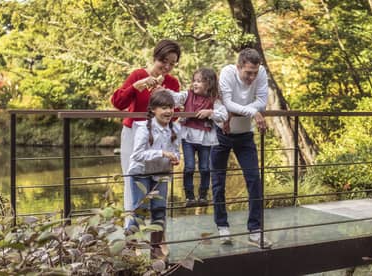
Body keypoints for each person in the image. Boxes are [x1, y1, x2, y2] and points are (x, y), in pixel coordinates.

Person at [111, 39, 181, 227]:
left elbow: (175, 116)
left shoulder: (172, 83)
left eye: (172, 64)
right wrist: (136, 87)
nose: (166, 67)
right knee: (132, 178)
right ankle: (131, 229)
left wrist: (165, 98)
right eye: (163, 61)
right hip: (134, 132)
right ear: (155, 57)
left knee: (159, 180)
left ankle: (157, 232)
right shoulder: (137, 75)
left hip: (160, 136)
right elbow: (118, 103)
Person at [211, 48, 271, 247]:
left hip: (245, 136)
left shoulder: (261, 73)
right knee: (218, 182)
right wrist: (253, 113)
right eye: (248, 73)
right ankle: (222, 227)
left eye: (255, 72)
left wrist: (246, 111)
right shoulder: (227, 73)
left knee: (254, 180)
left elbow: (262, 102)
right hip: (221, 133)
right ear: (238, 67)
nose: (252, 77)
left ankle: (255, 230)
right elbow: (227, 103)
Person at [126, 90, 180, 259]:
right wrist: (162, 153)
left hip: (160, 173)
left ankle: (155, 248)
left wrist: (175, 158)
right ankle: (130, 247)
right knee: (140, 210)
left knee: (159, 209)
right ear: (153, 110)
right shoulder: (143, 128)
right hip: (140, 173)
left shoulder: (175, 128)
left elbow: (176, 151)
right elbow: (137, 155)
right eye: (164, 107)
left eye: (170, 107)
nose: (168, 111)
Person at [165, 68, 228, 207]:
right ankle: (189, 196)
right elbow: (174, 98)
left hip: (205, 139)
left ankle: (203, 195)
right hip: (188, 137)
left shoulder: (214, 101)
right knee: (189, 167)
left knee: (205, 168)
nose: (195, 84)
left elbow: (223, 115)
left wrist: (210, 112)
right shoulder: (187, 95)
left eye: (199, 81)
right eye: (194, 80)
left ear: (209, 83)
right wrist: (163, 90)